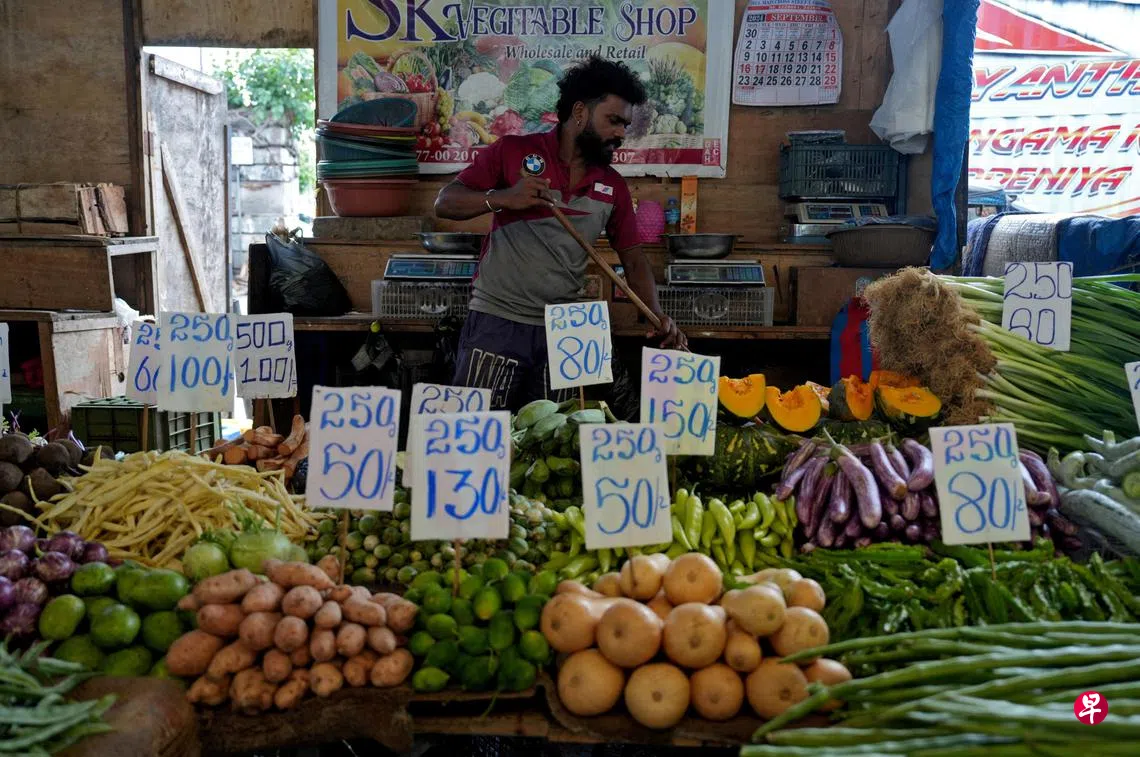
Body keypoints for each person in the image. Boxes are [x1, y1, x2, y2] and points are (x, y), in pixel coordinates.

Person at [434, 55, 687, 411]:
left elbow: (633, 257)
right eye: (613, 120)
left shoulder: (612, 185)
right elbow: (445, 202)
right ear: (580, 113)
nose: (620, 133)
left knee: (553, 446)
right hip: (497, 321)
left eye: (625, 125)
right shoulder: (512, 152)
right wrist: (505, 198)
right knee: (476, 439)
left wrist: (657, 315)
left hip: (568, 331)